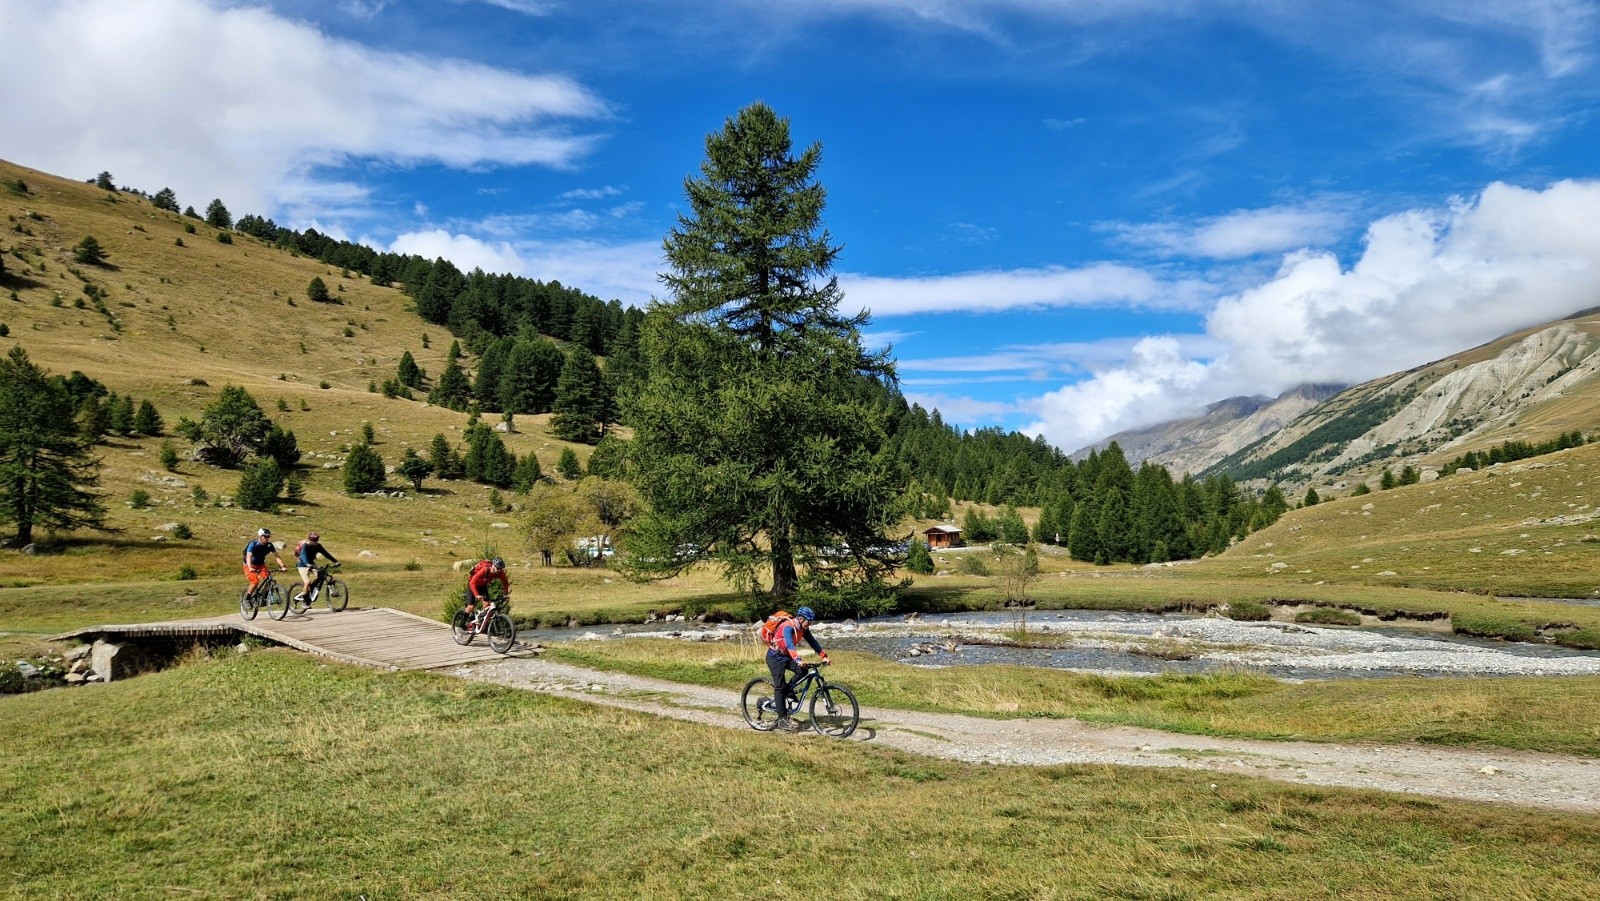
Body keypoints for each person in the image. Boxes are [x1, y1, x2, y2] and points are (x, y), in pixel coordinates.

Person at [765, 606, 829, 731]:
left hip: (787, 657)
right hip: (775, 658)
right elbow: (789, 644)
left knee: (803, 671)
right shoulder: (788, 626)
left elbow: (813, 642)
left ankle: (788, 691)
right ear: (801, 619)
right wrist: (798, 659)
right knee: (779, 686)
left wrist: (824, 656)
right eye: (808, 621)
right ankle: (782, 719)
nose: (810, 624)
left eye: (811, 622)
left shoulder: (803, 629)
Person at [292, 531, 340, 603]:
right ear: (309, 540)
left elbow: (326, 554)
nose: (314, 542)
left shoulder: (318, 546)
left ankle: (312, 588)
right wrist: (307, 564)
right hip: (302, 565)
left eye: (316, 540)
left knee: (321, 574)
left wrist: (335, 561)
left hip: (311, 564)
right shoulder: (306, 545)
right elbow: (303, 554)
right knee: (307, 582)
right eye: (313, 540)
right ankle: (305, 600)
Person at [242, 527, 287, 600]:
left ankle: (263, 596)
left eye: (268, 537)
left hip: (260, 564)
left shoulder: (269, 545)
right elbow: (248, 556)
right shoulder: (253, 544)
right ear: (260, 536)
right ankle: (247, 598)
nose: (267, 538)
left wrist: (283, 566)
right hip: (248, 565)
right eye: (265, 536)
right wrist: (250, 567)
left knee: (268, 579)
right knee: (255, 581)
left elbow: (277, 556)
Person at [463, 557, 510, 623]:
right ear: (493, 566)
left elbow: (505, 582)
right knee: (471, 606)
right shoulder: (485, 570)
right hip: (473, 585)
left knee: (487, 605)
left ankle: (479, 621)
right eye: (498, 568)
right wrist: (477, 595)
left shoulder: (499, 573)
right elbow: (472, 583)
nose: (499, 570)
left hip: (483, 586)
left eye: (501, 569)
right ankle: (463, 623)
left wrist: (506, 594)